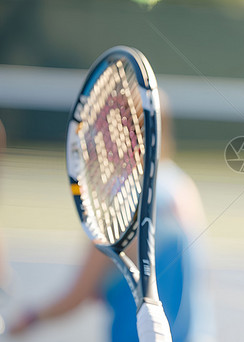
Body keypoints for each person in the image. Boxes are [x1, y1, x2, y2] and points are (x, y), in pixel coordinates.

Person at [9, 94, 216, 342]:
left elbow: (78, 294)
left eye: (102, 126)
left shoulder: (121, 201)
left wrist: (31, 318)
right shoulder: (181, 186)